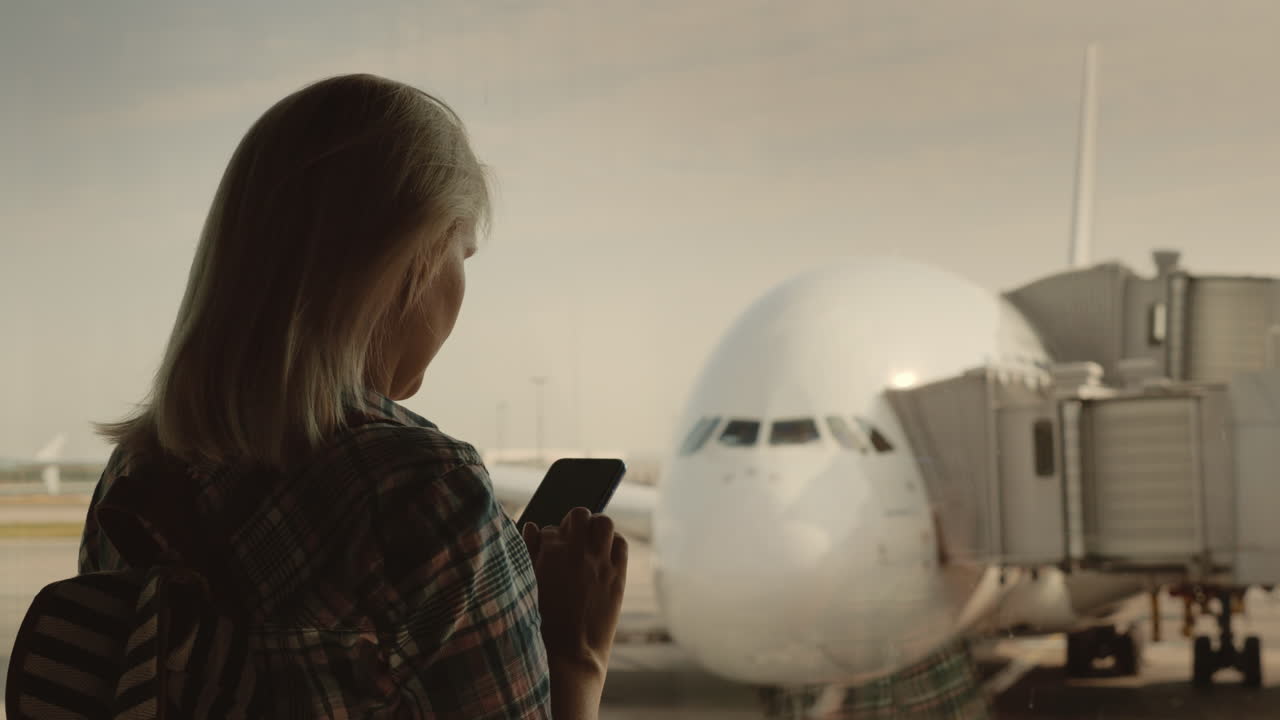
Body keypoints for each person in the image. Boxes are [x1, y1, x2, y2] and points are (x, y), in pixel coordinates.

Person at [79, 73, 627, 719]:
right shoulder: (421, 489)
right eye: (462, 252)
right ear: (415, 255)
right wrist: (573, 658)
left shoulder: (139, 473)